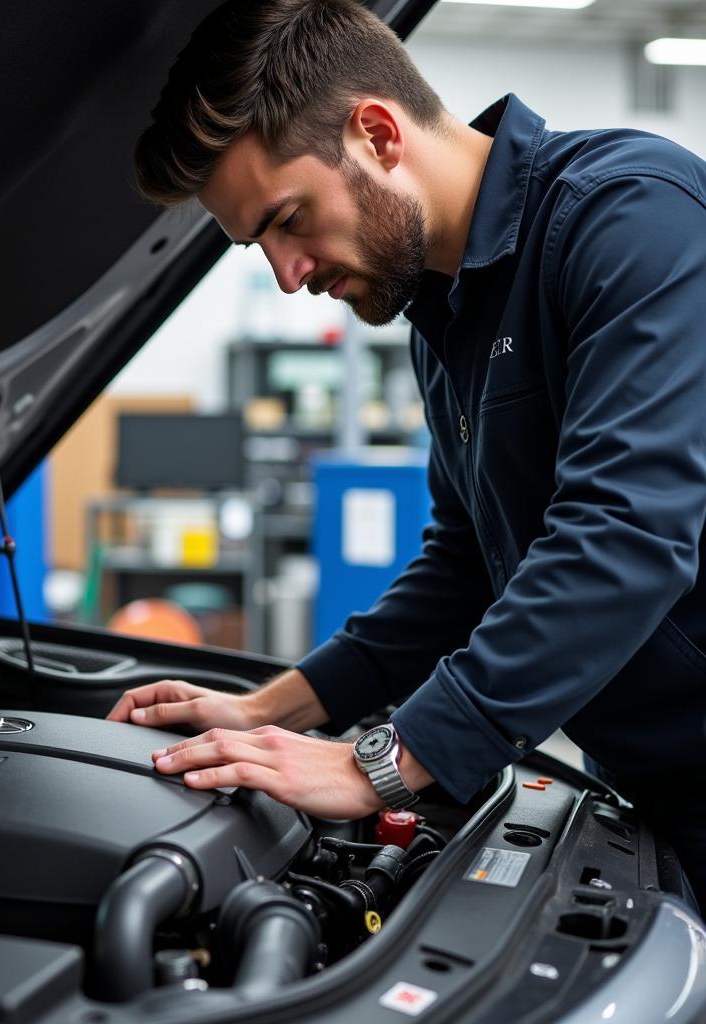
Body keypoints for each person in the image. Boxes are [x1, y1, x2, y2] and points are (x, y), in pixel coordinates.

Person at [107, 0, 706, 906]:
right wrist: (271, 709)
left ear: (378, 133)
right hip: (659, 794)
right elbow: (466, 568)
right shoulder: (442, 318)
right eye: (259, 244)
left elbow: (623, 536)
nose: (287, 272)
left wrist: (379, 766)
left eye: (288, 218)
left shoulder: (629, 216)